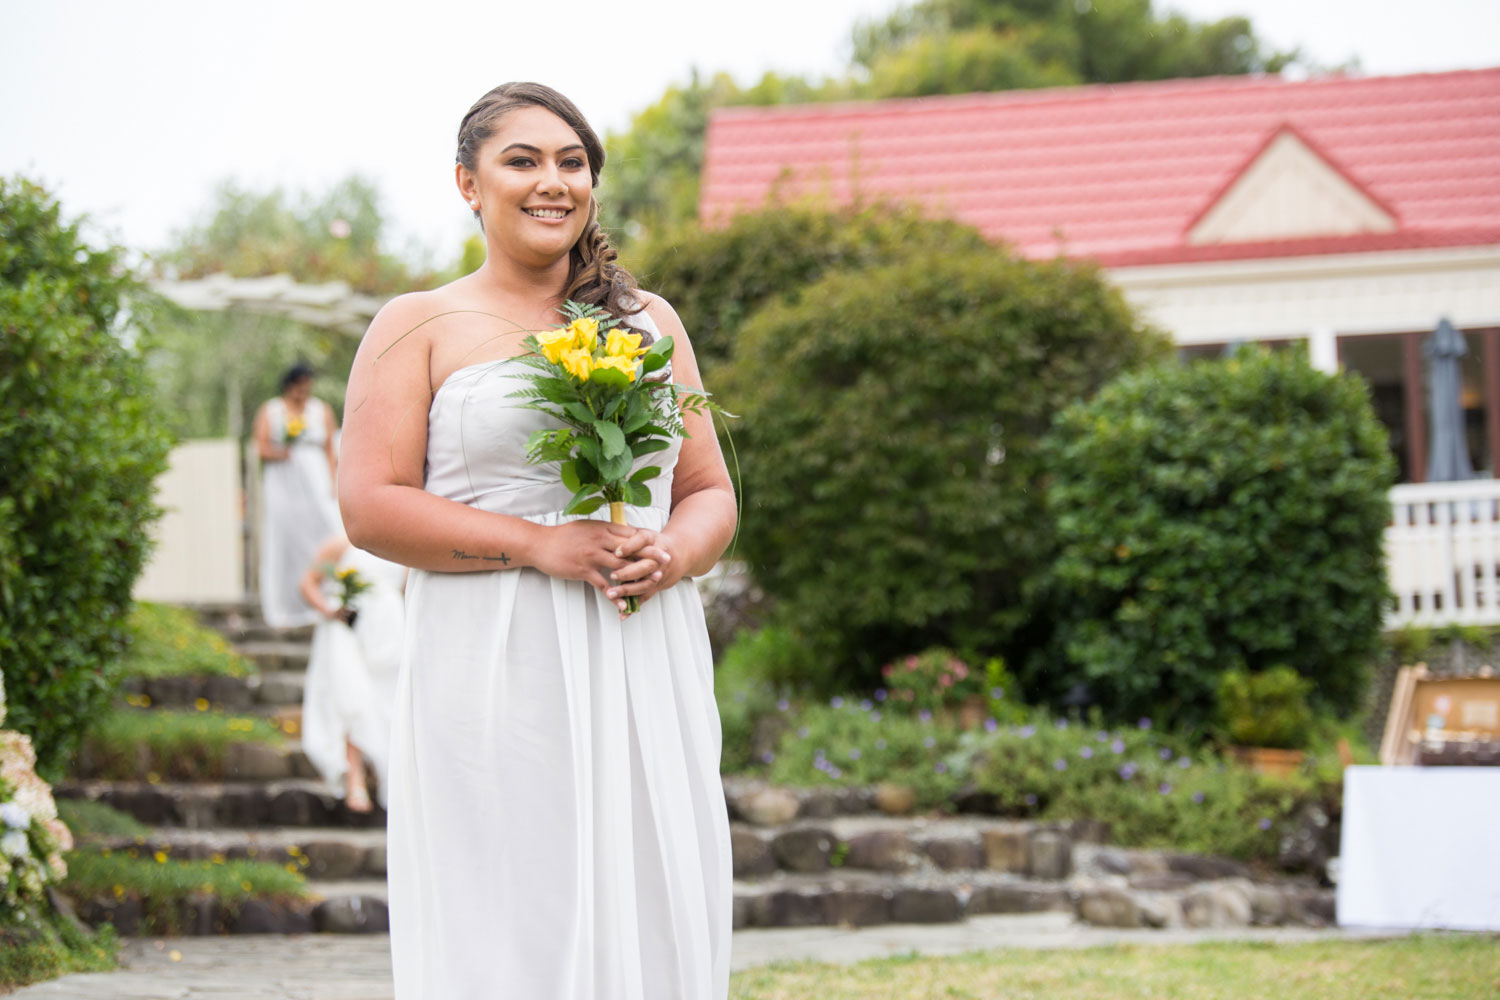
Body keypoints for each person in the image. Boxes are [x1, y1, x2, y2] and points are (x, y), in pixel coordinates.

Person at [338, 82, 737, 998]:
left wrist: (673, 552)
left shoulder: (650, 322)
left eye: (572, 162)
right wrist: (538, 544)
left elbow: (708, 489)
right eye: (522, 160)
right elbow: (369, 505)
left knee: (648, 876)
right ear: (467, 184)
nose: (552, 181)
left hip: (642, 647)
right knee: (516, 887)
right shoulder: (417, 324)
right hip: (494, 658)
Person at [297, 533, 407, 814]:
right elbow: (308, 583)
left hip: (389, 634)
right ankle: (354, 777)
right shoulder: (338, 545)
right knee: (352, 698)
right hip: (346, 632)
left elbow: (406, 589)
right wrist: (332, 610)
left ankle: (384, 775)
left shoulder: (402, 545)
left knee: (386, 704)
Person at [253, 363, 342, 628]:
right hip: (282, 483)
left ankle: (328, 596)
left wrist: (332, 481)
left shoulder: (320, 409)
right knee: (283, 537)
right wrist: (286, 453)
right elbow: (261, 448)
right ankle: (283, 606)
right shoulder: (271, 410)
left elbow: (330, 448)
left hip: (316, 482)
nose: (303, 392)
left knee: (325, 531)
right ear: (289, 386)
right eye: (299, 386)